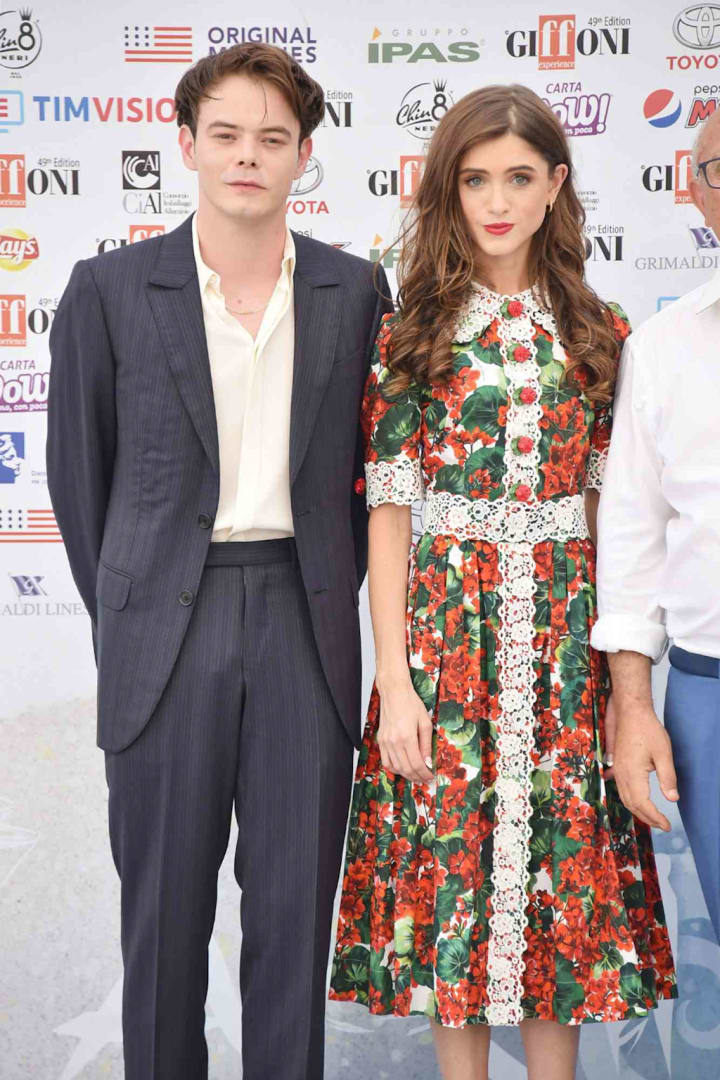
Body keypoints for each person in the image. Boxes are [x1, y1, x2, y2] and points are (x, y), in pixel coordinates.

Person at [46, 43, 391, 1080]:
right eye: (228, 134)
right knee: (162, 928)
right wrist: (135, 610)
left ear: (304, 156)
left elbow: (370, 482)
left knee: (293, 923)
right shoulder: (109, 290)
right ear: (188, 143)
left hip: (302, 624)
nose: (249, 155)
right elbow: (80, 483)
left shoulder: (355, 290)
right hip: (162, 633)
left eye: (272, 139)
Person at [329, 84, 677, 1080]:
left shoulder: (600, 331)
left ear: (555, 185)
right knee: (456, 878)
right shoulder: (413, 330)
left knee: (558, 881)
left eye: (519, 177)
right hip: (448, 643)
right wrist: (395, 680)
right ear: (448, 189)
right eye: (475, 179)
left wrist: (614, 682)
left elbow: (615, 515)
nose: (497, 201)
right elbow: (389, 515)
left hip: (565, 646)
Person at [592, 107, 720, 941]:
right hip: (709, 691)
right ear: (696, 192)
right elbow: (633, 537)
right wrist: (633, 704)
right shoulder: (663, 348)